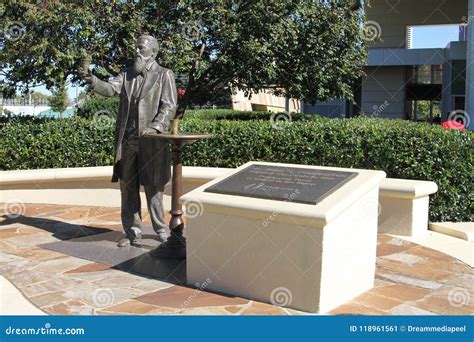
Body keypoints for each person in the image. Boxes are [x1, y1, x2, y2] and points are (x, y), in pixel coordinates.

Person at [79, 34, 177, 247]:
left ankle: (161, 230)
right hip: (129, 140)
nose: (137, 51)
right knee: (128, 187)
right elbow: (109, 89)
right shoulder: (126, 74)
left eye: (141, 48)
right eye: (136, 47)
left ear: (153, 51)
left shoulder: (164, 75)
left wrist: (155, 127)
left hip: (152, 141)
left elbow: (169, 106)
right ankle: (132, 232)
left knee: (154, 187)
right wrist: (92, 80)